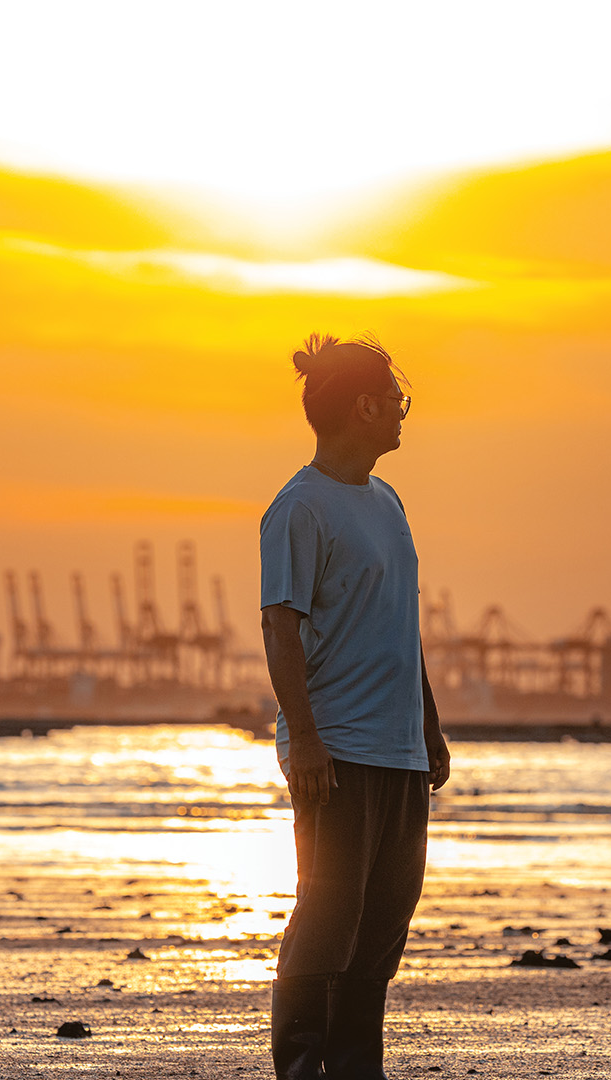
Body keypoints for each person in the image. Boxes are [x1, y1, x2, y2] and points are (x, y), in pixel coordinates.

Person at [260, 333, 451, 1080]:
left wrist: (428, 725)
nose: (403, 412)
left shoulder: (389, 501)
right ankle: (302, 1069)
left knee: (380, 930)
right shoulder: (299, 509)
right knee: (328, 921)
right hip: (337, 749)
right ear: (364, 405)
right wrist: (303, 742)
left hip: (399, 748)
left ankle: (355, 1072)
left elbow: (401, 622)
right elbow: (280, 627)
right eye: (396, 399)